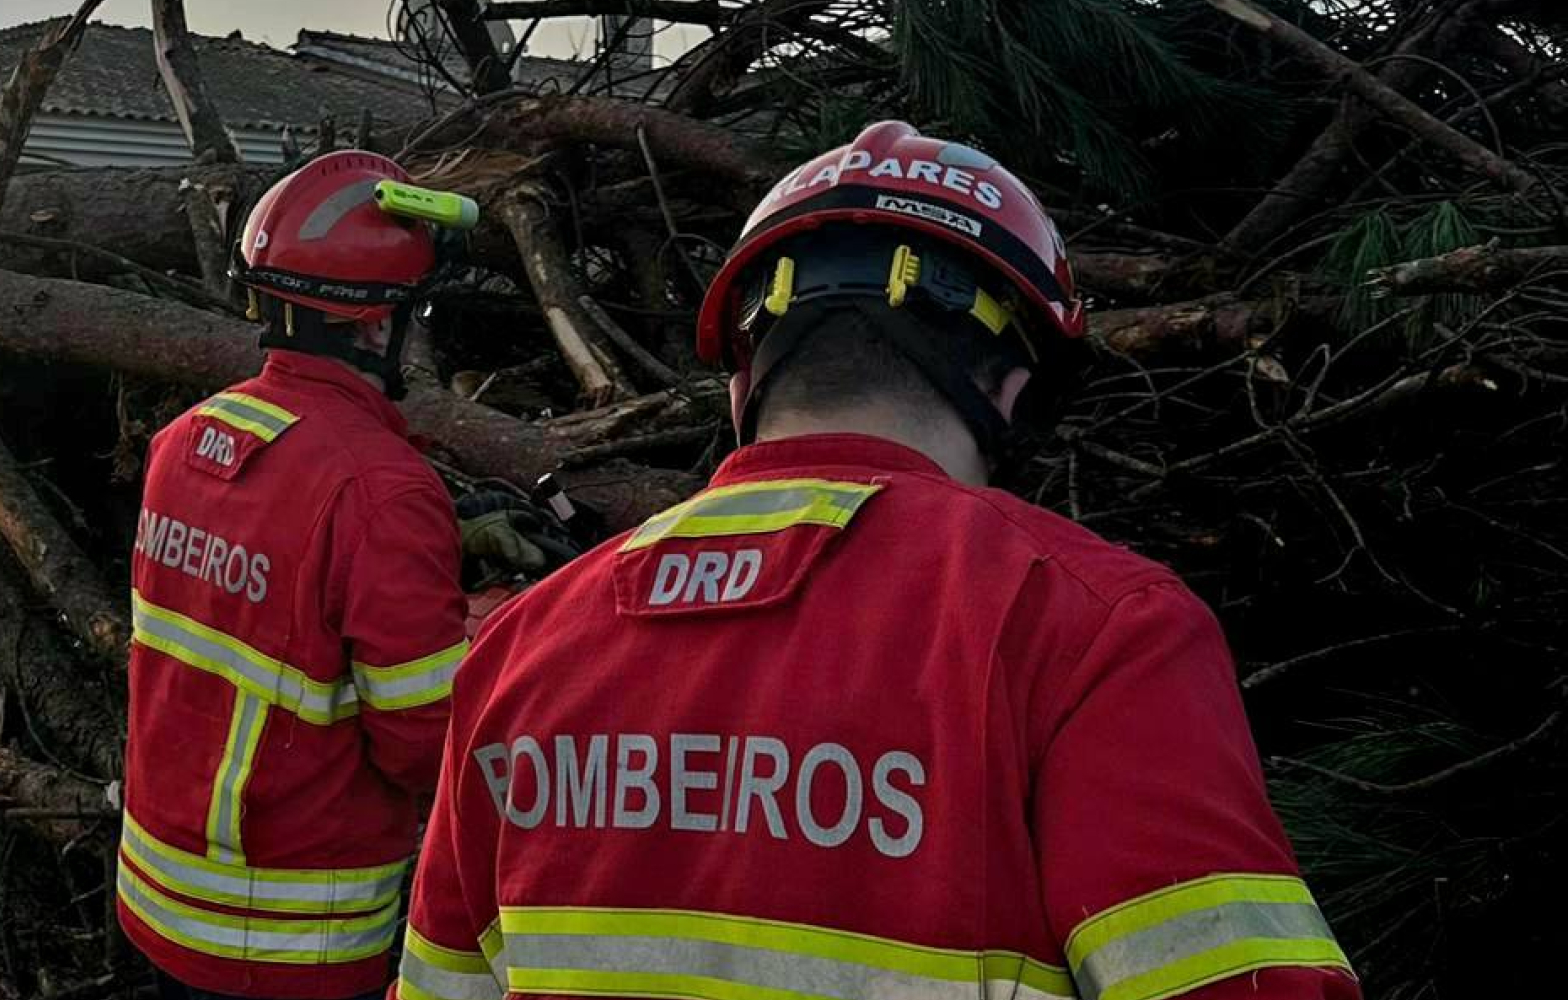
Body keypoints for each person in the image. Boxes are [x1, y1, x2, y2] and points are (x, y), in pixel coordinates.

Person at [392, 122, 1360, 1000]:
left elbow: (439, 986)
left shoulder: (526, 638)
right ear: (1015, 390)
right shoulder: (1089, 623)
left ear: (743, 376)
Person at [118, 151, 479, 1000]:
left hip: (159, 896)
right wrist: (492, 630)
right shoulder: (380, 492)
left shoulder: (184, 442)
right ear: (372, 326)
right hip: (289, 938)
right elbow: (426, 747)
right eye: (410, 312)